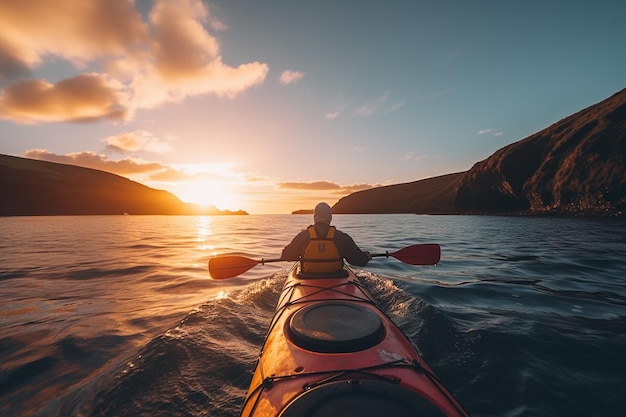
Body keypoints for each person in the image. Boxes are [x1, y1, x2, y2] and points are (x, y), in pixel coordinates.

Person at [281, 202, 372, 274]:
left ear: (315, 217)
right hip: (336, 277)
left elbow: (286, 256)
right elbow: (359, 261)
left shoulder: (303, 236)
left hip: (307, 277)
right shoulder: (342, 237)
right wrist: (366, 256)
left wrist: (300, 253)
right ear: (330, 217)